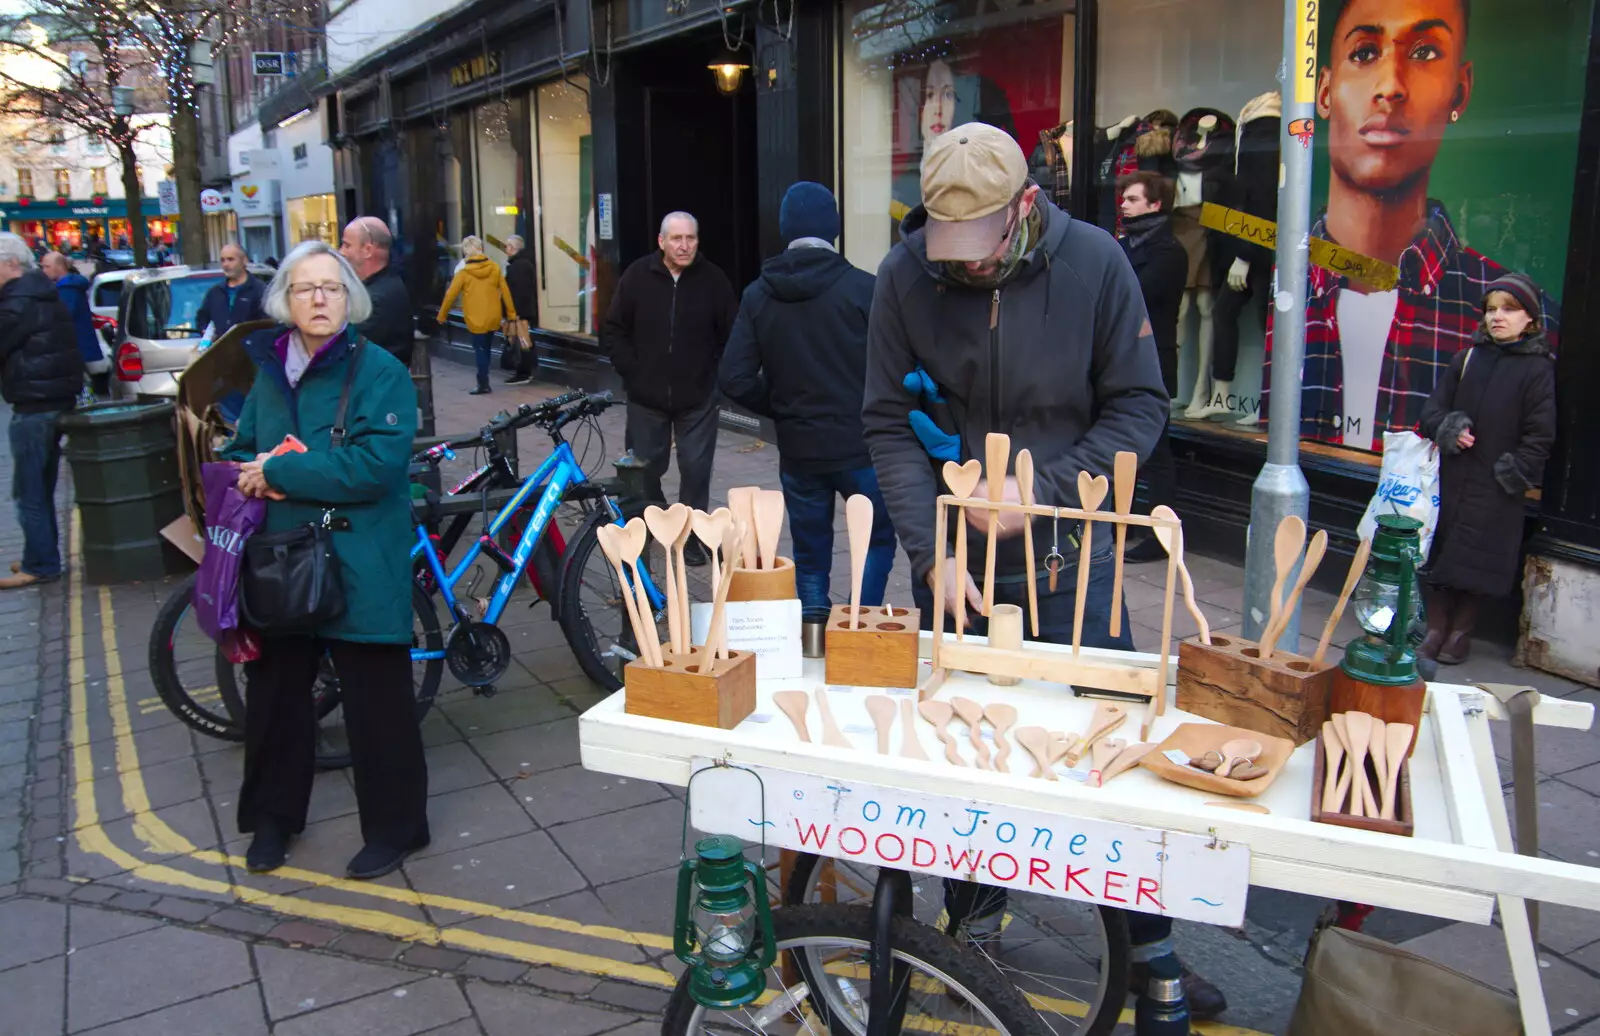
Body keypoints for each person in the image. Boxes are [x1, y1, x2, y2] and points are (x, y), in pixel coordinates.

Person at [861, 123, 1226, 1019]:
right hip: (958, 568)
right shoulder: (905, 275)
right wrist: (932, 550)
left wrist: (1047, 493)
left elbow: (1141, 406)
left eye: (979, 250)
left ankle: (1151, 947)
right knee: (961, 762)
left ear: (1025, 206)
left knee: (1106, 762)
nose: (964, 270)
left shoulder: (1099, 264)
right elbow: (884, 424)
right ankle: (972, 927)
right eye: (948, 251)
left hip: (1073, 556)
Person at [1264, 0, 1558, 450]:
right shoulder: (1289, 281)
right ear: (1323, 91)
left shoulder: (1514, 310)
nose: (1390, 87)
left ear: (1459, 90)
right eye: (1363, 53)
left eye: (1423, 53)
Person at [220, 240, 427, 879]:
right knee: (277, 696)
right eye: (306, 288)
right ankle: (273, 821)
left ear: (349, 298)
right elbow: (245, 446)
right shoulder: (268, 368)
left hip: (360, 554)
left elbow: (375, 466)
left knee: (377, 701)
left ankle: (396, 830)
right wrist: (242, 468)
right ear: (285, 300)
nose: (319, 299)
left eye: (331, 288)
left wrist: (282, 470)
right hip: (283, 556)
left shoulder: (381, 371)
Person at [719, 182, 897, 622]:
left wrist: (781, 403)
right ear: (833, 229)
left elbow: (734, 377)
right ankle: (861, 626)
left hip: (799, 448)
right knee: (875, 540)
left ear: (785, 229)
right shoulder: (864, 290)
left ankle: (814, 633)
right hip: (861, 445)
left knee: (810, 548)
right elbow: (894, 368)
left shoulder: (759, 295)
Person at [1418, 273, 1555, 665]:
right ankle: (1434, 630)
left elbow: (1541, 435)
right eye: (1492, 309)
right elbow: (1431, 411)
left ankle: (1460, 634)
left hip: (1497, 485)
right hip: (1453, 478)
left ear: (1529, 318)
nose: (1498, 317)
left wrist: (1511, 474)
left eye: (1509, 309)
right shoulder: (1468, 358)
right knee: (1441, 555)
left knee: (1478, 562)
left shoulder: (1539, 370)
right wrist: (1449, 428)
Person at [604, 212, 736, 519]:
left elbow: (732, 334)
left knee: (696, 470)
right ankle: (656, 520)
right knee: (644, 470)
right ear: (662, 242)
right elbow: (615, 329)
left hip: (698, 398)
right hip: (646, 397)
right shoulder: (637, 276)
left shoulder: (714, 280)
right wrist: (633, 373)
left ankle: (690, 537)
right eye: (677, 238)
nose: (684, 246)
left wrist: (713, 377)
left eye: (691, 238)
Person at [0, 234, 83, 590]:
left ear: (10, 264)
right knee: (41, 485)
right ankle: (42, 551)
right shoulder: (40, 292)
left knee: (28, 490)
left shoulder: (17, 302)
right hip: (54, 401)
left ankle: (41, 563)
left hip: (34, 406)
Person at [1116, 172, 1187, 561]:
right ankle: (1111, 522)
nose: (1124, 205)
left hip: (1152, 360)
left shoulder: (1169, 251)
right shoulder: (1124, 245)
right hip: (1116, 357)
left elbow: (1133, 295)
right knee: (1115, 447)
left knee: (1156, 452)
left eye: (1132, 199)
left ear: (1155, 204)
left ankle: (1163, 536)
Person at [436, 235, 516, 395]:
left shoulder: (464, 272)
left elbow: (450, 295)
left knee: (479, 349)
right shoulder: (494, 268)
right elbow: (506, 292)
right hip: (493, 316)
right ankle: (484, 377)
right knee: (486, 347)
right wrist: (511, 314)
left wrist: (442, 315)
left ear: (466, 251)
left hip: (475, 318)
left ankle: (483, 383)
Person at [340, 216, 415, 368]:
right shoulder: (377, 286)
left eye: (347, 245)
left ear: (367, 250)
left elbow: (343, 349)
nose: (341, 252)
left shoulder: (379, 297)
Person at [41, 252, 102, 373]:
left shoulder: (68, 290)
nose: (43, 271)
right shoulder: (69, 286)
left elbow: (61, 319)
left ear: (59, 267)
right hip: (78, 349)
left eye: (47, 266)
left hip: (75, 349)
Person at [198, 243, 266, 339]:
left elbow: (268, 325)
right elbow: (202, 318)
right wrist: (205, 332)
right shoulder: (215, 292)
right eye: (222, 260)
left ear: (244, 260)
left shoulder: (260, 290)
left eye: (230, 259)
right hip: (221, 351)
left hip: (250, 351)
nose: (226, 264)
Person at [503, 235, 539, 386]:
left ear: (512, 248)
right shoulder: (522, 264)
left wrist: (515, 313)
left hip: (519, 313)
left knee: (521, 342)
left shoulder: (519, 266)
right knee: (522, 341)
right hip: (521, 311)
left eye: (507, 246)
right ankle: (523, 371)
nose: (505, 249)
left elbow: (519, 292)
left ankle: (523, 372)